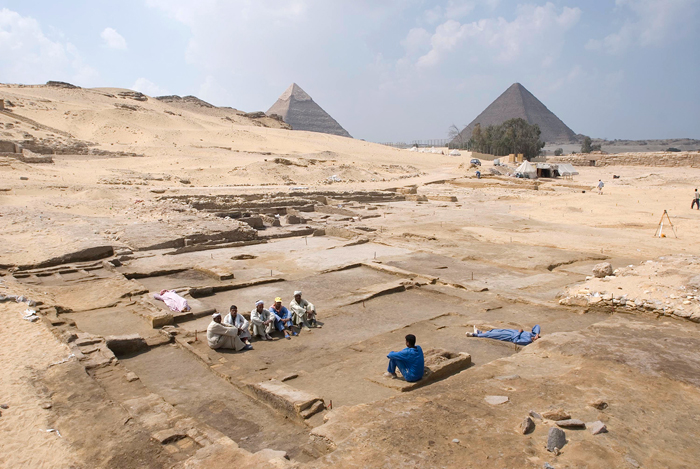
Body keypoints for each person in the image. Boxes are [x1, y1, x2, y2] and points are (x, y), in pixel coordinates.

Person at [466, 325, 541, 346]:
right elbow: (537, 326)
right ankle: (479, 332)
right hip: (510, 331)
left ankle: (474, 335)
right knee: (494, 331)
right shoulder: (532, 334)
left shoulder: (527, 340)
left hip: (509, 336)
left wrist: (518, 332)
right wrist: (537, 334)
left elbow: (516, 341)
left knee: (493, 335)